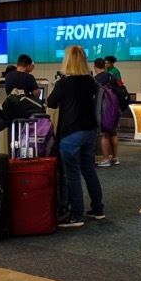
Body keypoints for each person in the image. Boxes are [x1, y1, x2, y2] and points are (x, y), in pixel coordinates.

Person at [47, 45, 105, 227]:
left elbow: (51, 103)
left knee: (72, 174)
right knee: (89, 170)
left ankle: (76, 215)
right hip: (90, 131)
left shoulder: (64, 83)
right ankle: (98, 209)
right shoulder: (91, 81)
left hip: (71, 133)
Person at [102, 56, 123, 165]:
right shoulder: (107, 71)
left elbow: (119, 85)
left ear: (112, 63)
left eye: (107, 63)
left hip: (111, 104)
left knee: (108, 133)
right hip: (112, 104)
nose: (106, 65)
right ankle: (115, 157)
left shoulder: (115, 72)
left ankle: (110, 157)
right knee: (113, 132)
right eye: (105, 63)